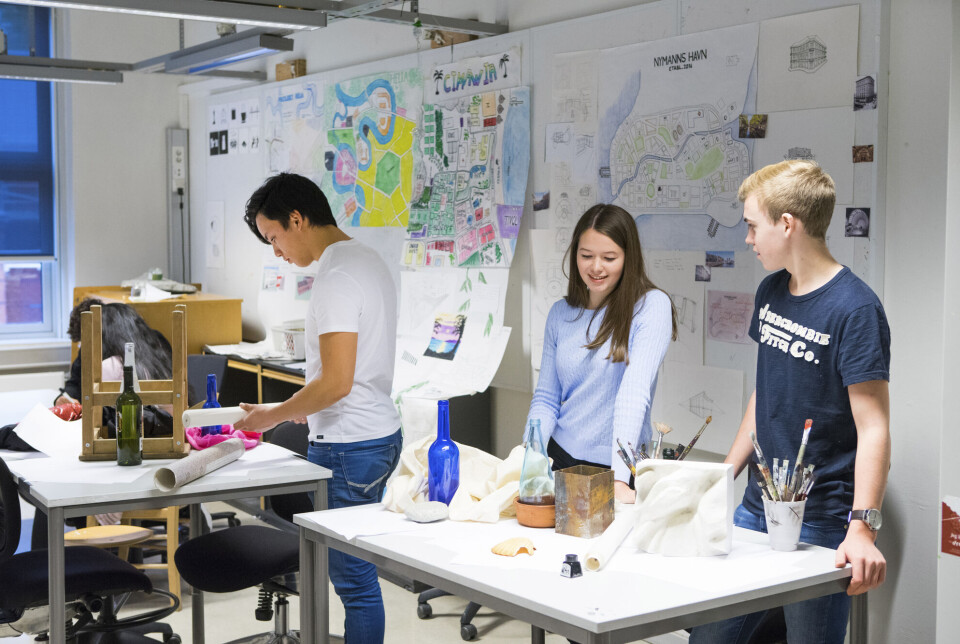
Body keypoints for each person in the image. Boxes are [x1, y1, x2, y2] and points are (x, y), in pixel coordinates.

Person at [689, 160, 891, 644]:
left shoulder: (855, 309)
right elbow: (767, 392)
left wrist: (862, 527)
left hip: (822, 517)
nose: (748, 238)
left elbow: (874, 426)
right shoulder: (771, 290)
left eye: (753, 226)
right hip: (757, 506)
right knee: (709, 638)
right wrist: (722, 476)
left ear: (787, 224)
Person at [233, 172, 402, 644]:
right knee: (359, 576)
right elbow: (349, 374)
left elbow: (336, 382)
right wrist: (299, 405)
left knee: (355, 583)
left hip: (350, 445)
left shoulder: (336, 277)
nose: (277, 252)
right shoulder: (367, 259)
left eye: (274, 237)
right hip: (378, 431)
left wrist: (273, 414)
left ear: (297, 219)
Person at [526, 203, 677, 505]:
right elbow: (545, 398)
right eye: (586, 256)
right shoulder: (560, 313)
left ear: (628, 258)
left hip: (616, 467)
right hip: (559, 457)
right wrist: (530, 458)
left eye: (609, 258)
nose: (596, 267)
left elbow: (634, 393)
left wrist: (620, 479)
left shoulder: (651, 306)